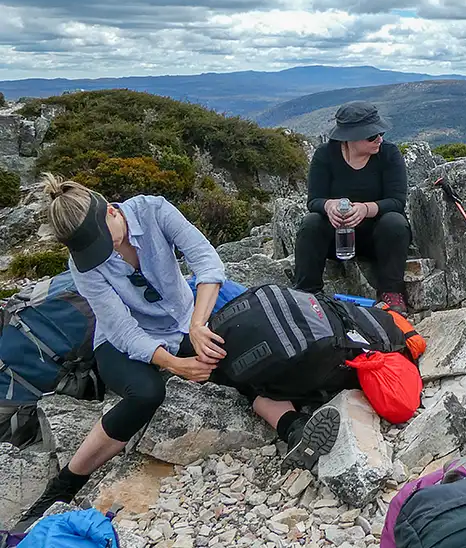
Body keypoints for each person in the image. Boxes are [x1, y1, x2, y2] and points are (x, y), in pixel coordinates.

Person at [16, 176, 342, 529]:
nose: (102, 254)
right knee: (145, 394)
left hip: (185, 321)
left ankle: (293, 428)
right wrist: (174, 364)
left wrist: (198, 325)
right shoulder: (84, 266)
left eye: (102, 242)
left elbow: (207, 263)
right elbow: (123, 330)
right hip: (118, 342)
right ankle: (63, 486)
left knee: (229, 361)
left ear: (112, 211)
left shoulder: (154, 210)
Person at [292, 101, 412, 314]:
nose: (379, 139)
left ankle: (391, 292)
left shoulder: (389, 154)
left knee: (395, 222)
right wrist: (329, 205)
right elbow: (314, 201)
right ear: (350, 138)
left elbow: (396, 201)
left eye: (380, 133)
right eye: (372, 136)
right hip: (336, 238)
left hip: (378, 238)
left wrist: (366, 209)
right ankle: (307, 293)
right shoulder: (325, 155)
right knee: (311, 223)